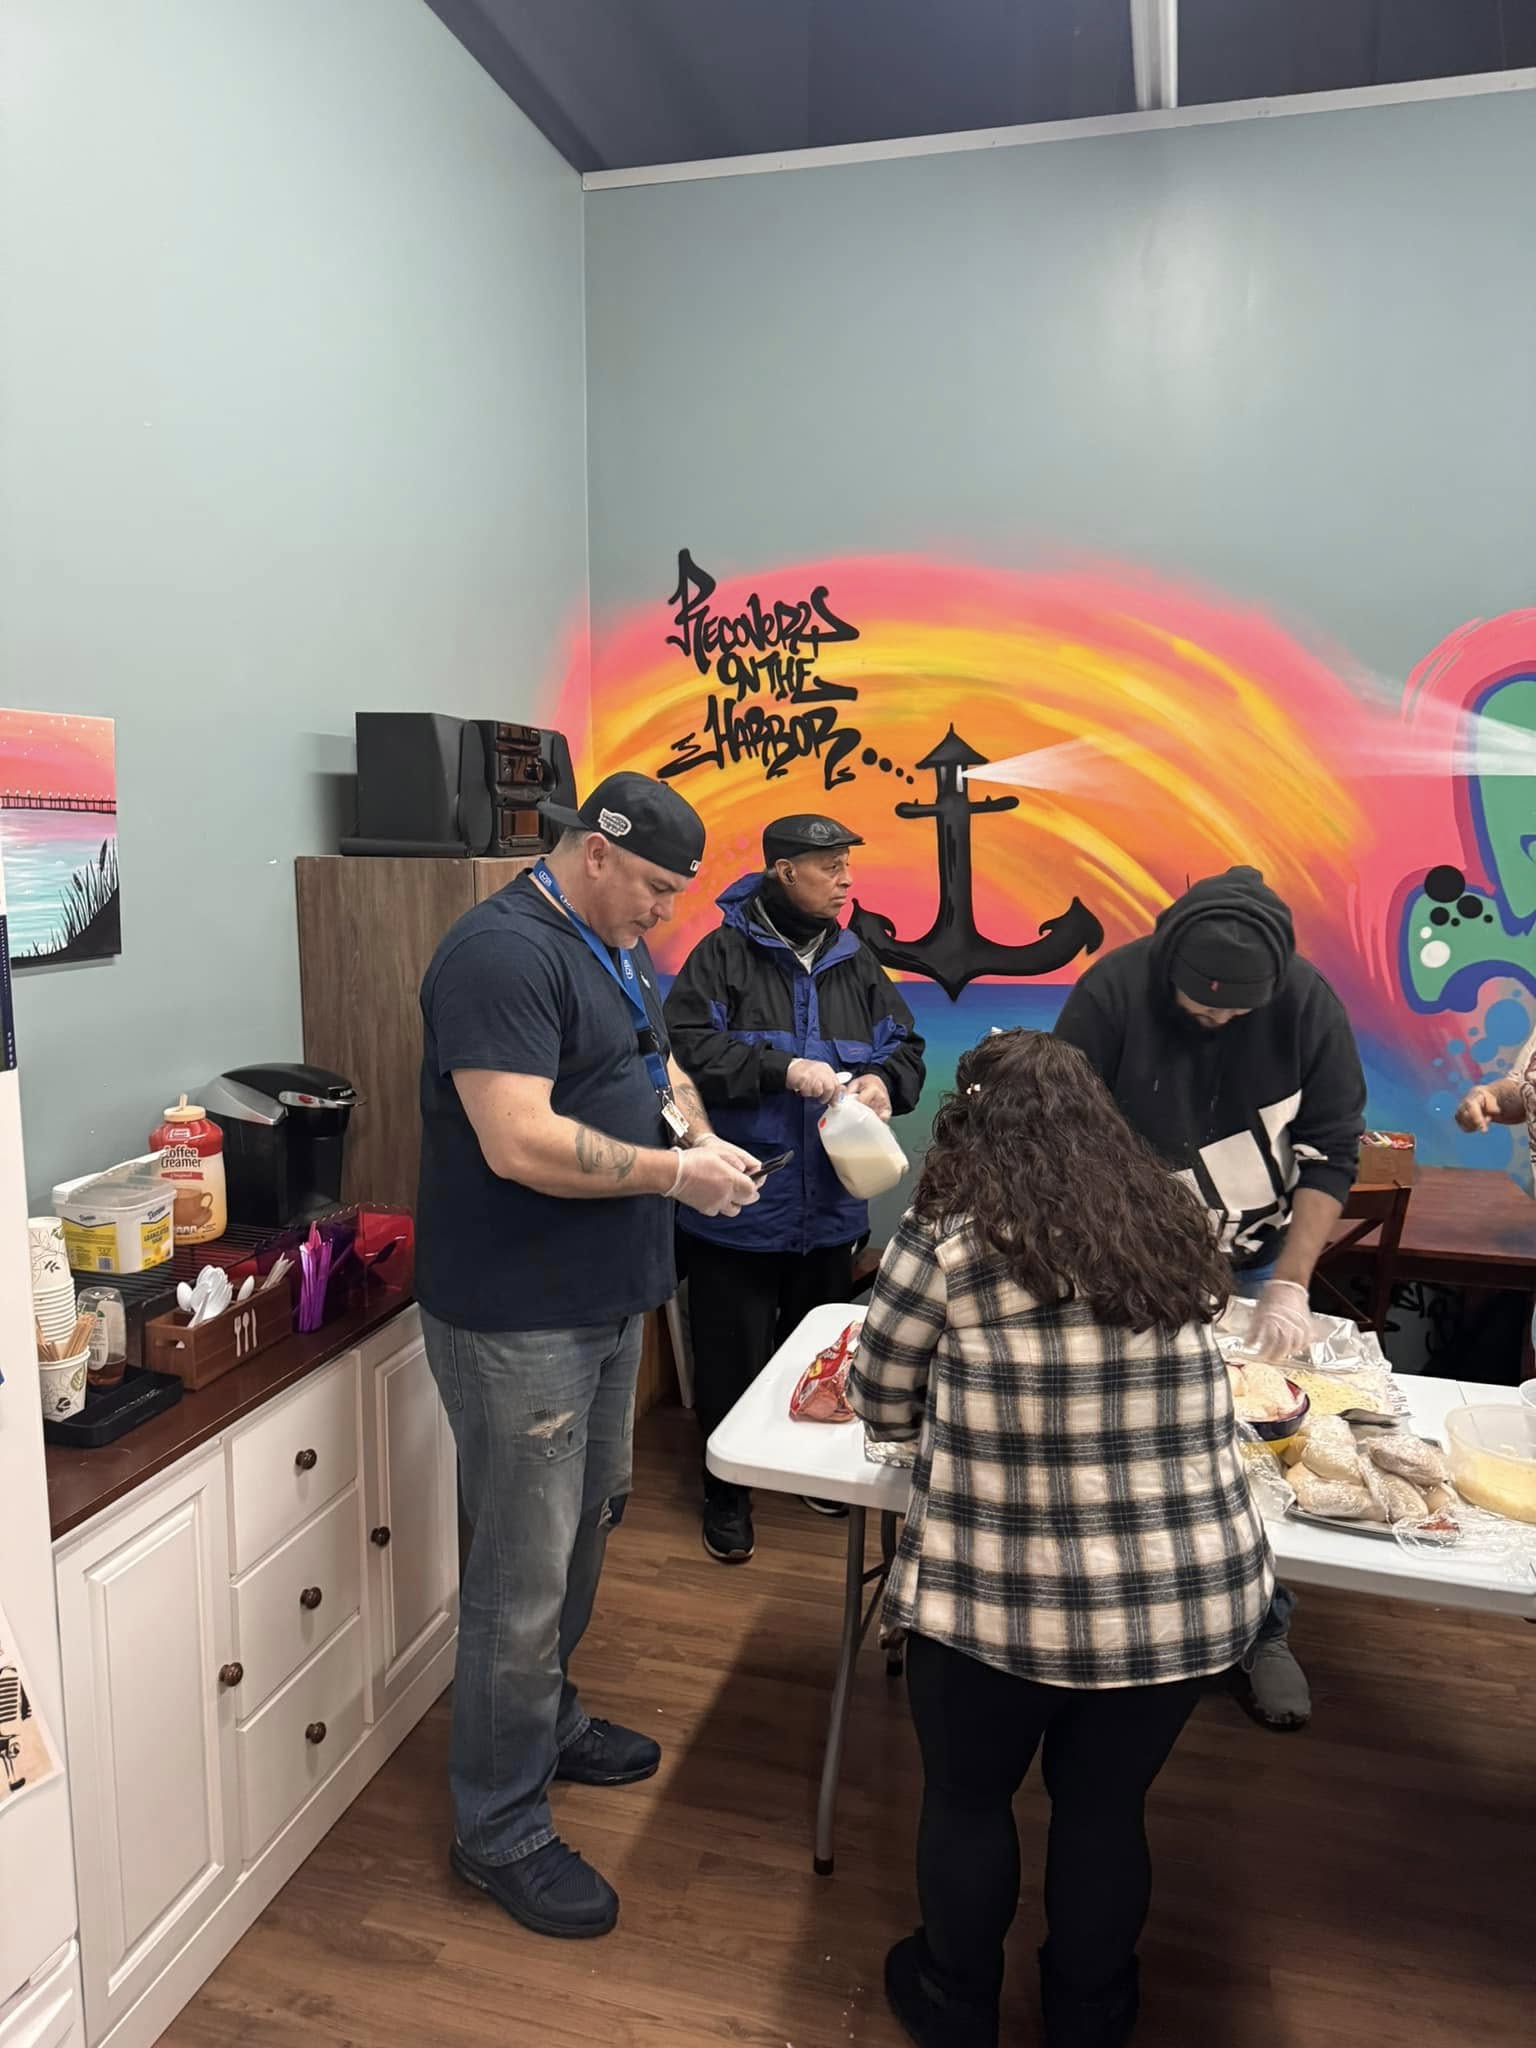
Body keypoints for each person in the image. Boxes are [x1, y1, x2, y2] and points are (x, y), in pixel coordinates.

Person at [849, 1031, 1272, 2048]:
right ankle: (1091, 2012)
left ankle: (956, 2002)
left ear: (968, 1122)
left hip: (999, 1596)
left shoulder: (947, 1234)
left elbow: (879, 1394)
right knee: (1105, 1810)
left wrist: (952, 1418)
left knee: (966, 1799)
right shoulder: (1172, 1215)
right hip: (1184, 1594)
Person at [415, 771, 763, 1941]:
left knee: (586, 1528)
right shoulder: (500, 953)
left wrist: (700, 1133)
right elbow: (516, 1141)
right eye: (656, 887)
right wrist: (676, 1175)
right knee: (519, 1578)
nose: (664, 913)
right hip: (519, 1318)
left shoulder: (612, 942)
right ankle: (498, 1826)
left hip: (606, 1300)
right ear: (595, 850)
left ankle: (548, 1719)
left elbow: (652, 1067)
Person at [1053, 865, 1363, 1734]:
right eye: (1200, 1010)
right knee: (1126, 1444)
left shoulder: (1307, 1006)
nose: (1217, 1023)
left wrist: (1291, 1284)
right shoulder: (1112, 994)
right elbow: (1060, 1145)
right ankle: (1123, 1621)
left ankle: (1261, 1630)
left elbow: (1332, 1153)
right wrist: (1114, 1262)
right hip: (1125, 1260)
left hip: (1258, 1261)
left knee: (1254, 1457)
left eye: (1235, 1014)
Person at [664, 813, 926, 1563]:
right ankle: (726, 1493)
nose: (846, 880)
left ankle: (811, 1469)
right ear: (785, 872)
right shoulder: (720, 957)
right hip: (741, 1207)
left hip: (832, 1210)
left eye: (847, 865)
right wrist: (782, 1070)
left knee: (823, 1354)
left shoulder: (855, 961)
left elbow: (906, 1046)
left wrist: (883, 1082)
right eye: (830, 866)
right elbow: (686, 1054)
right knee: (732, 1360)